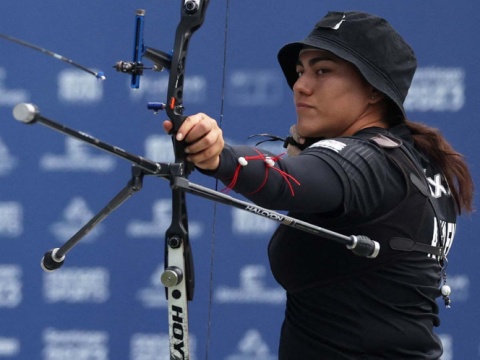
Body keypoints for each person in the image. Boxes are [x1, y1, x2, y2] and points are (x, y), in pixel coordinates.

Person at [163, 11, 474, 359]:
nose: (300, 85)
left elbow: (284, 180)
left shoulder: (368, 160)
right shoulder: (414, 159)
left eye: (322, 71)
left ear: (373, 90)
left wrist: (220, 156)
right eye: (300, 72)